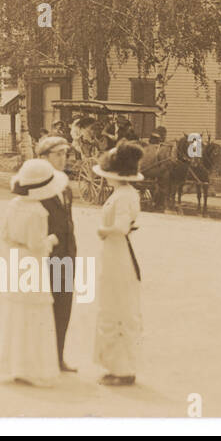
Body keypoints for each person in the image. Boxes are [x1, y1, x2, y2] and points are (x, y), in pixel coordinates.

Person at [0, 158, 64, 387]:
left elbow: (5, 235)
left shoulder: (13, 205)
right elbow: (37, 244)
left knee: (17, 313)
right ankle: (34, 368)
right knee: (35, 315)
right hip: (33, 262)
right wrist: (51, 240)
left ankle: (16, 366)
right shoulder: (38, 211)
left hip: (16, 261)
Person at [92, 142, 145, 386]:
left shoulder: (124, 196)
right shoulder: (123, 194)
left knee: (119, 307)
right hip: (115, 252)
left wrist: (104, 230)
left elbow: (121, 227)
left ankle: (123, 369)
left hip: (118, 252)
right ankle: (115, 365)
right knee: (113, 305)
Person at [35, 134, 77, 372]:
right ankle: (42, 358)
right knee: (44, 308)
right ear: (43, 158)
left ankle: (58, 357)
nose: (63, 159)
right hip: (46, 256)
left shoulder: (65, 186)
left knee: (64, 306)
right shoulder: (37, 188)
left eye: (65, 154)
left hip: (67, 256)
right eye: (57, 154)